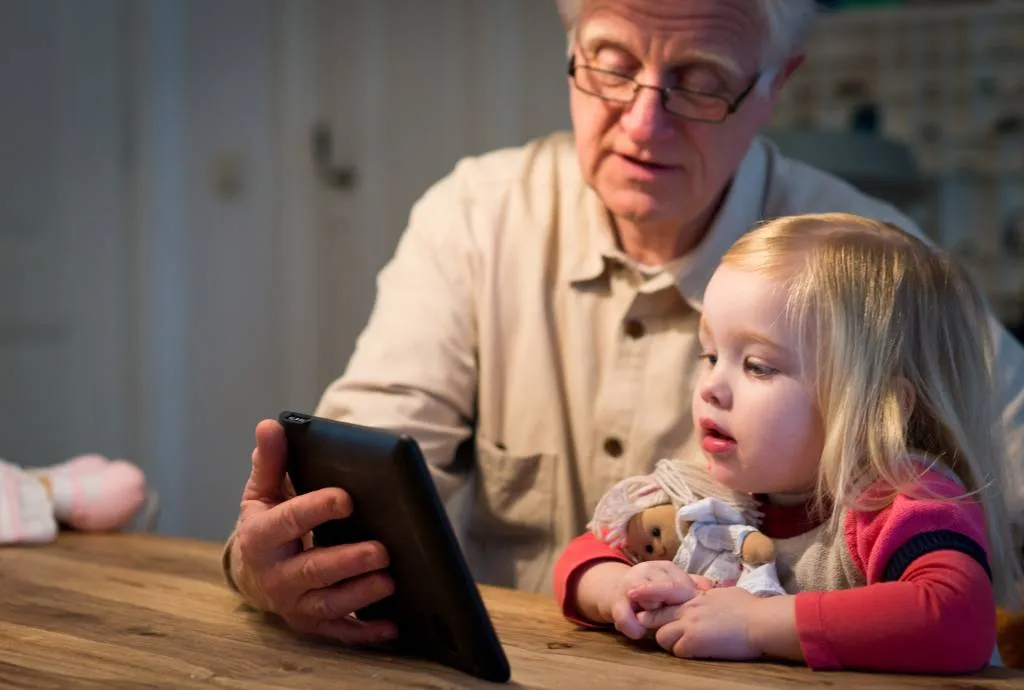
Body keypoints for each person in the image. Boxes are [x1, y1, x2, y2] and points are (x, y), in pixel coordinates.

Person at [221, 0, 1024, 648]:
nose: (643, 123)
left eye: (700, 79)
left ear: (777, 83)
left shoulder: (876, 268)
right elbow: (360, 479)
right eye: (610, 65)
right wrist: (277, 558)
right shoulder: (475, 218)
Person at [554, 213, 1022, 674]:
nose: (711, 387)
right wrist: (621, 586)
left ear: (876, 410)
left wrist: (756, 624)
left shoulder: (898, 498)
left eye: (757, 365)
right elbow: (582, 556)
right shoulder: (708, 495)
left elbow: (958, 618)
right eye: (710, 355)